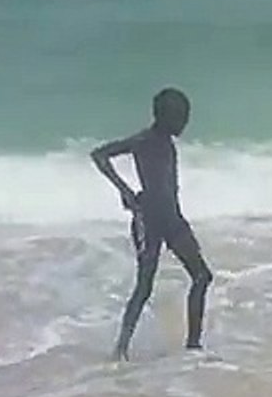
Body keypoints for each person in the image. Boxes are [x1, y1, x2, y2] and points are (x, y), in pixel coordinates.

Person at [91, 88, 212, 360]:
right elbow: (99, 155)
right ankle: (120, 349)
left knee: (202, 276)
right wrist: (125, 191)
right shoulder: (143, 140)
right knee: (144, 286)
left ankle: (194, 347)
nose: (185, 123)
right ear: (165, 116)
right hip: (149, 220)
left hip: (172, 218)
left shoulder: (167, 142)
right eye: (181, 117)